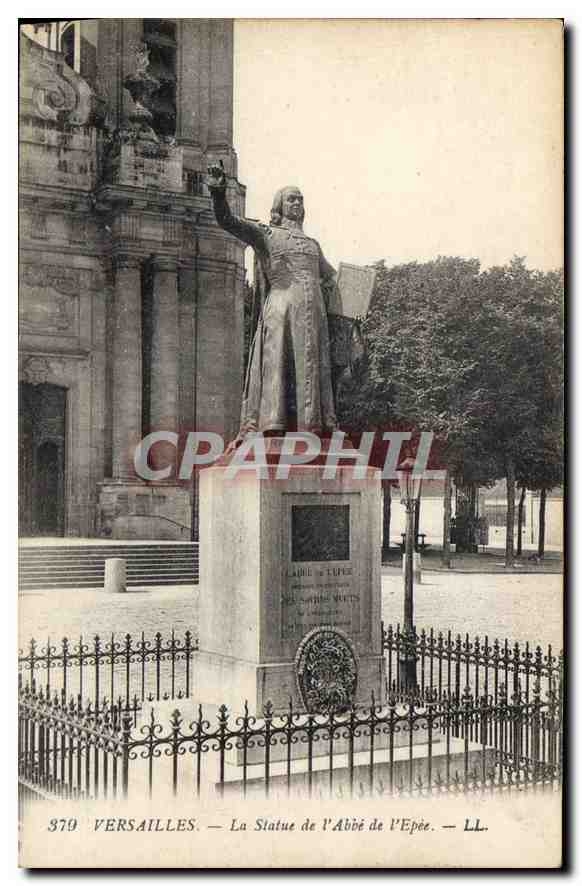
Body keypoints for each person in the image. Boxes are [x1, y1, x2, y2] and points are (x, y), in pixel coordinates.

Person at [207, 163, 338, 445]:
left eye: (301, 199)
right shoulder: (267, 233)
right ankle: (273, 423)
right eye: (292, 198)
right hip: (282, 306)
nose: (298, 203)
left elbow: (331, 277)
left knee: (314, 365)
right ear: (280, 205)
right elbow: (229, 221)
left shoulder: (313, 244)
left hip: (314, 312)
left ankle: (314, 424)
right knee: (278, 362)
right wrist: (218, 193)